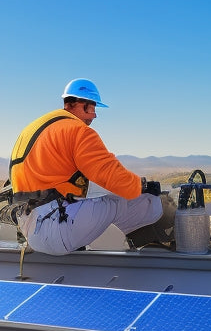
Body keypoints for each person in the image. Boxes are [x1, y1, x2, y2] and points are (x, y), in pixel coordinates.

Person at [9, 78, 164, 255]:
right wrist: (143, 186)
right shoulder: (78, 130)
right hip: (55, 231)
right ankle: (149, 250)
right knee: (125, 200)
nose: (94, 115)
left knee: (101, 197)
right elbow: (110, 175)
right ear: (81, 105)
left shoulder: (37, 128)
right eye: (92, 108)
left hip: (30, 227)